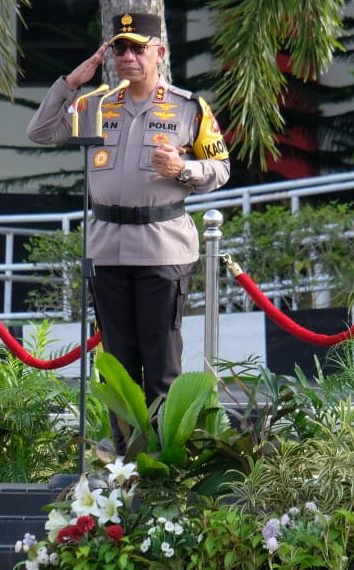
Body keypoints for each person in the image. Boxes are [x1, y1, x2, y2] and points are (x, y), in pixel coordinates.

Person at [26, 13, 230, 426]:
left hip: (161, 250)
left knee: (161, 366)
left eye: (138, 48)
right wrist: (71, 83)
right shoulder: (95, 106)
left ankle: (162, 458)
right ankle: (124, 459)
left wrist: (183, 170)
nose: (128, 56)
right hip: (107, 251)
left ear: (160, 52)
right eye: (120, 48)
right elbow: (41, 132)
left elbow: (221, 169)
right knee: (118, 372)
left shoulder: (188, 108)